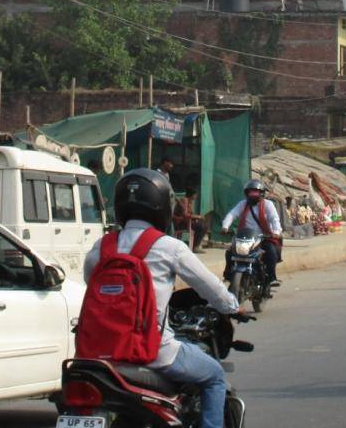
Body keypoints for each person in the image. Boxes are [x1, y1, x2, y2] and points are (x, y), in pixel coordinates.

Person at [83, 169, 238, 428]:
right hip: (152, 351)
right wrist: (231, 305)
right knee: (215, 376)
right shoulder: (170, 247)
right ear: (162, 206)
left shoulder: (103, 246)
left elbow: (91, 280)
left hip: (98, 353)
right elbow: (211, 288)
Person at [221, 179, 282, 286]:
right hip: (246, 237)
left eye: (256, 192)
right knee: (230, 252)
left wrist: (276, 232)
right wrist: (225, 226)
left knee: (271, 251)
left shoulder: (268, 205)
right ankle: (228, 276)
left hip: (264, 237)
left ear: (261, 193)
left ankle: (272, 277)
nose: (253, 195)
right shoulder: (243, 204)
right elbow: (232, 214)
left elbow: (274, 219)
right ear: (246, 193)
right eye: (251, 192)